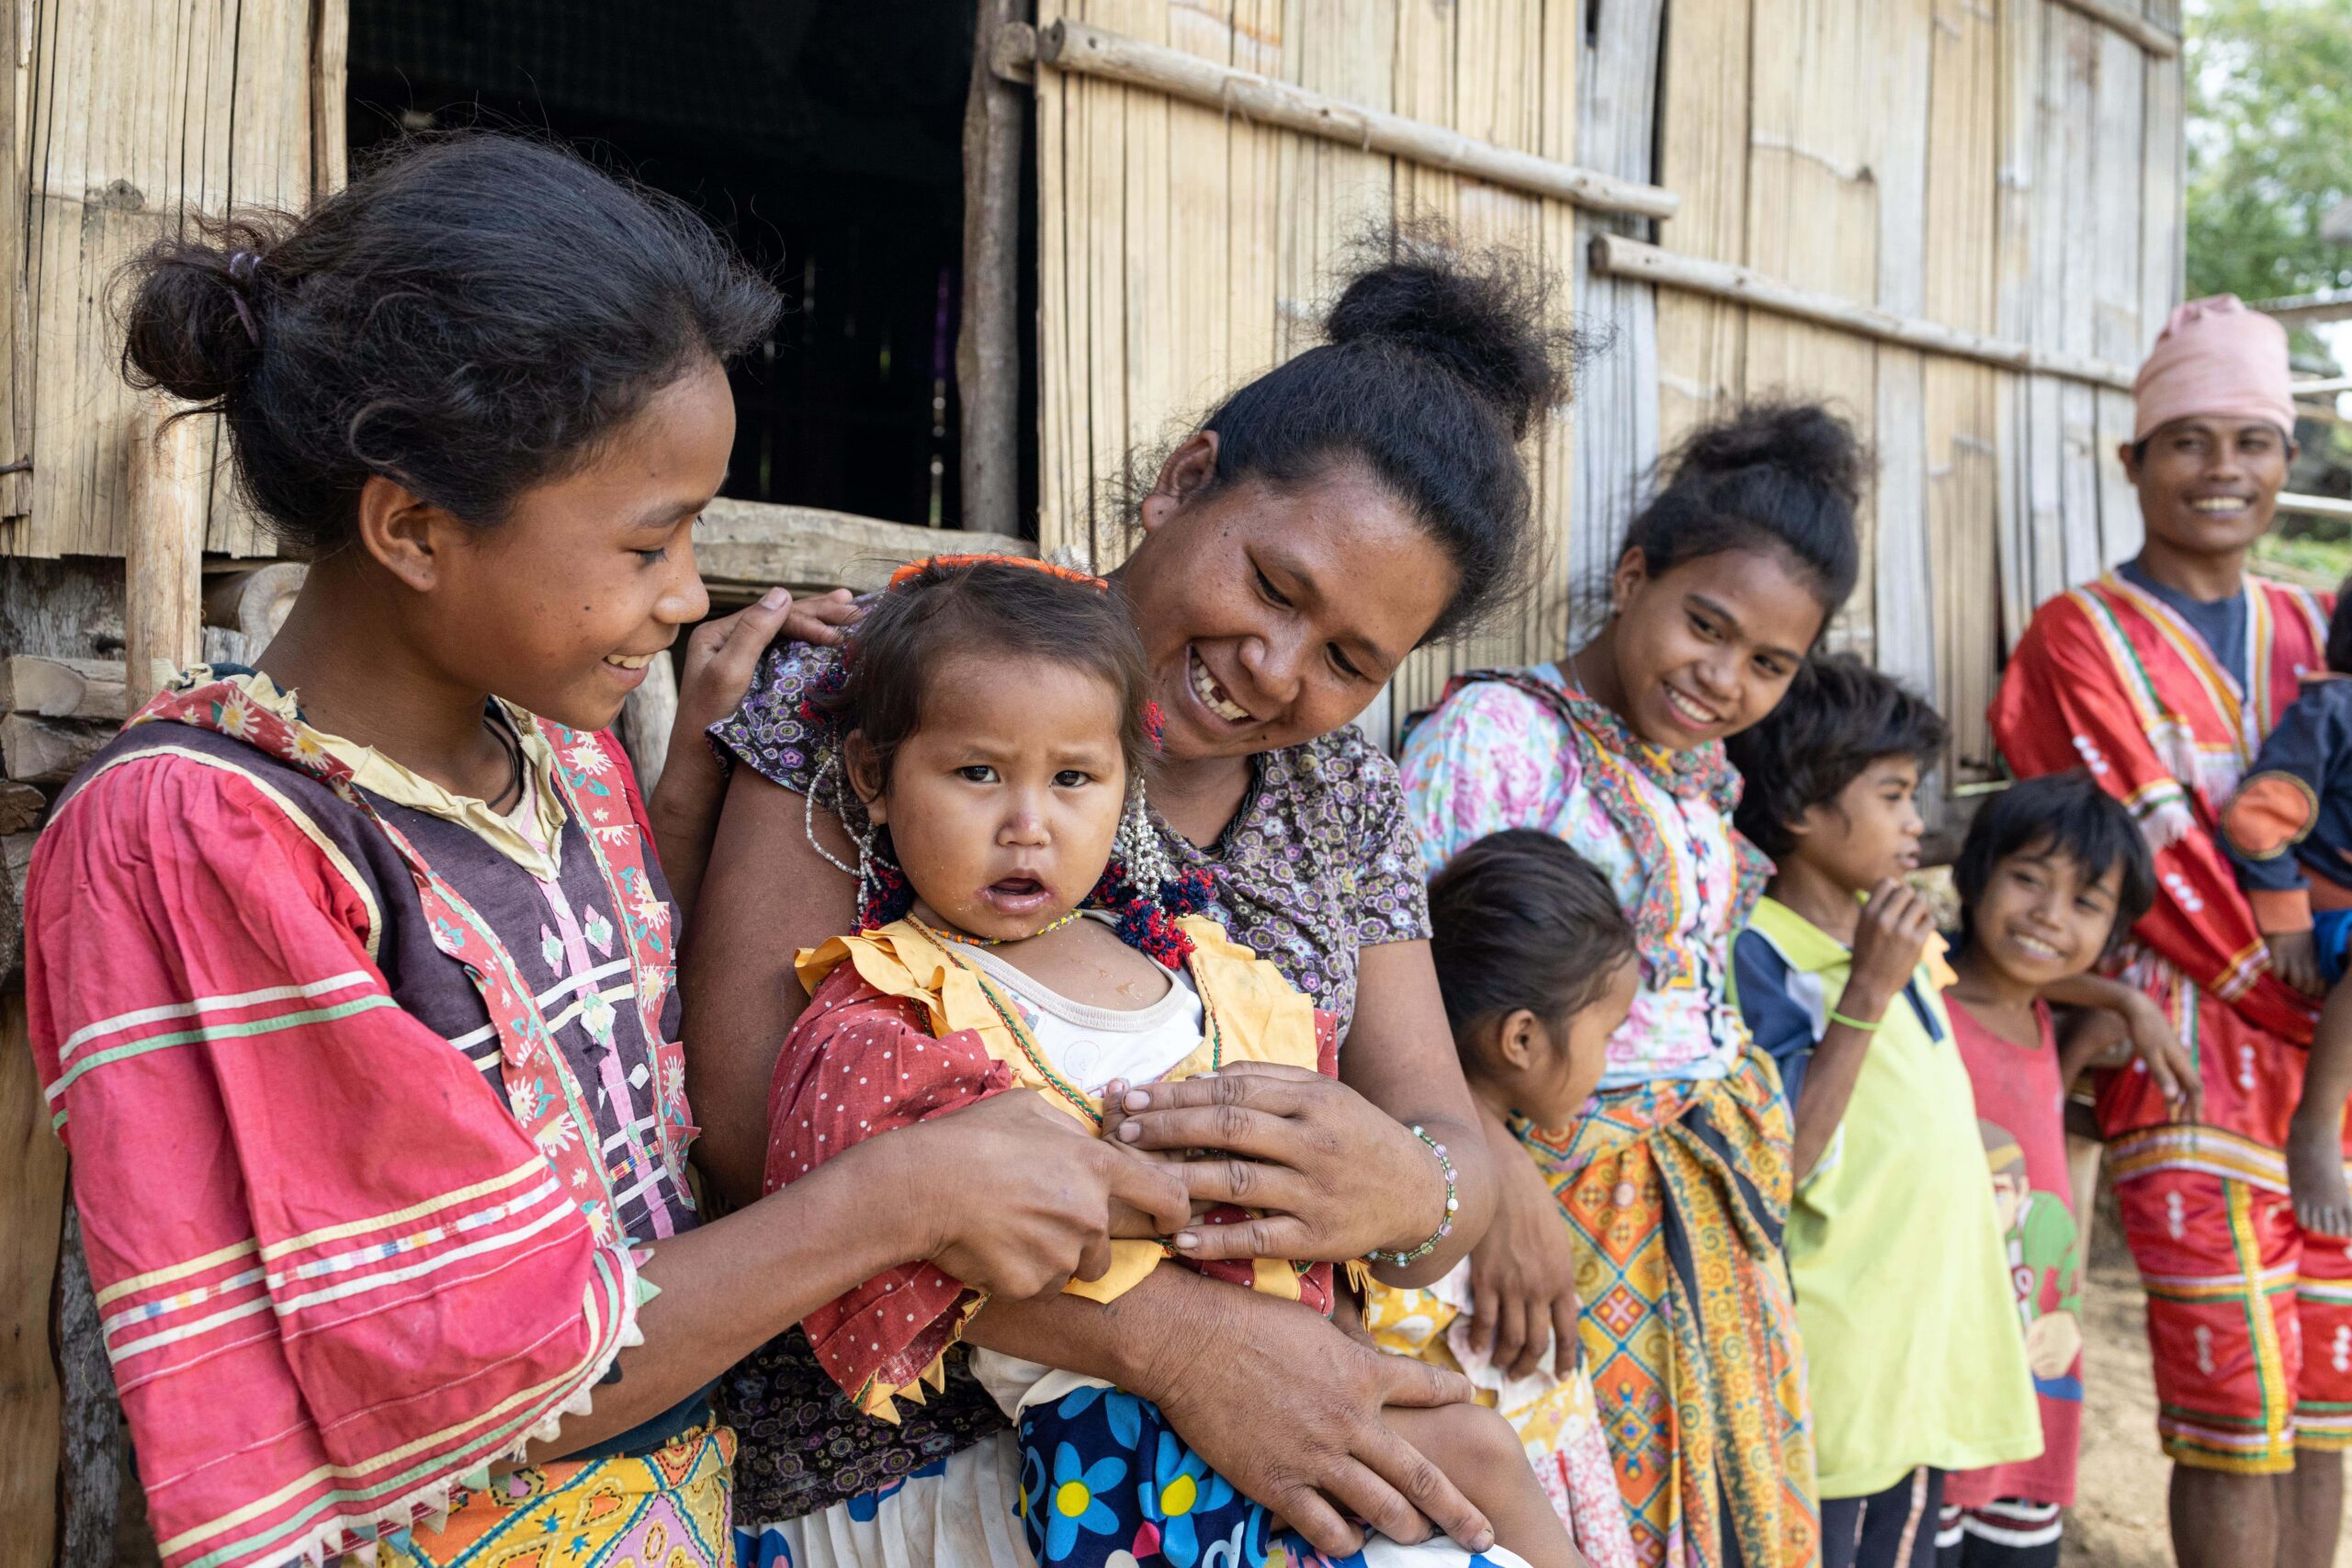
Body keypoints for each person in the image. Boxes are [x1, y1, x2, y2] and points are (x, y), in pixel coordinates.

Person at [26, 133, 1195, 1568]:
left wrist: (690, 787)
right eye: (651, 545)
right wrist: (908, 1188)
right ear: (414, 526)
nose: (688, 593)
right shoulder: (205, 835)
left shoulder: (558, 756)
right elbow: (474, 1375)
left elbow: (622, 1116)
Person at [688, 234, 1579, 1568]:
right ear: (1185, 481)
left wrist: (1407, 1187)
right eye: (1274, 585)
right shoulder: (890, 684)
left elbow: (1441, 1134)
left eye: (1348, 657)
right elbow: (752, 1134)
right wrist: (1176, 1339)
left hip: (1275, 1441)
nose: (1273, 669)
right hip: (892, 1460)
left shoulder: (1342, 795)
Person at [764, 557, 1578, 1568]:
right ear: (872, 779)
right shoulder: (891, 1007)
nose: (1028, 824)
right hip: (1107, 1429)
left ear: (1123, 791)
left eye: (1073, 779)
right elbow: (856, 1224)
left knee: (1479, 1446)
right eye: (978, 774)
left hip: (1283, 1372)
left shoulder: (1186, 962)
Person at [1399, 400, 1864, 1568]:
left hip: (1701, 1211)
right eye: (1703, 626)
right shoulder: (1499, 734)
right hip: (1550, 1209)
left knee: (1711, 1510)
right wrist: (1503, 1193)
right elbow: (1405, 988)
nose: (1722, 679)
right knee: (1572, 1507)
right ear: (1632, 575)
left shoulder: (1698, 772)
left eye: (1768, 663)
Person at [1988, 294, 2345, 1568]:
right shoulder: (2073, 642)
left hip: (2334, 1083)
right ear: (2133, 460)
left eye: (2251, 441)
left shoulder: (2318, 630)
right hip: (2187, 1062)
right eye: (2187, 441)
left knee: (2325, 1410)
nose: (2222, 471)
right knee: (2232, 1412)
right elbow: (2155, 863)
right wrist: (2294, 984)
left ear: (2285, 463)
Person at [1724, 657, 2041, 1568]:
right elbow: (1778, 1162)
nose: (1916, 822)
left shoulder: (1895, 935)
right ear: (1799, 809)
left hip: (1916, 1367)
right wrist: (1864, 991)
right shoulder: (1761, 955)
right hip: (1840, 1380)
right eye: (1894, 795)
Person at [1363, 829, 1645, 1568]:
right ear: (1521, 1038)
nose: (1611, 1061)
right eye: (1608, 1034)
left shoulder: (1476, 1159)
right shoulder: (1427, 1221)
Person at [1932, 772, 2159, 1567]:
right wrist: (2124, 1004)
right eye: (2027, 878)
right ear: (1974, 872)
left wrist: (2119, 1009)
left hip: (2033, 1401)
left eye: (2085, 902)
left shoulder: (2039, 1022)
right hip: (1935, 1396)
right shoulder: (1922, 1009)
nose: (2048, 915)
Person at [2222, 578, 2352, 1235]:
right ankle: (2314, 1127)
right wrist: (2287, 917)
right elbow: (2256, 816)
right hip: (2331, 916)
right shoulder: (2336, 709)